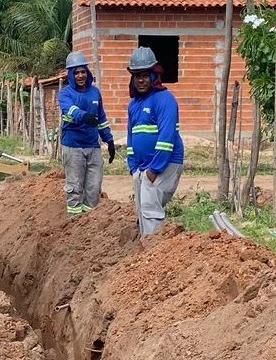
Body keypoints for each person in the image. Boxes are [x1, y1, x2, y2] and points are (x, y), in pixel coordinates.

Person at [125, 47, 184, 236]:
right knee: (142, 209)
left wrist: (153, 169)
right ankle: (146, 250)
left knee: (150, 207)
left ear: (153, 76)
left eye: (144, 75)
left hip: (164, 164)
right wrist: (133, 167)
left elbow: (167, 139)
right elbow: (131, 137)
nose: (140, 80)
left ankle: (153, 253)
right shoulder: (134, 104)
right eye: (136, 76)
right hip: (142, 168)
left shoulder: (164, 99)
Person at [58, 51, 116, 218]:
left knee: (94, 187)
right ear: (70, 74)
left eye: (83, 71)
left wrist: (109, 139)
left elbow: (102, 118)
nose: (80, 75)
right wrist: (84, 116)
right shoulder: (65, 94)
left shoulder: (95, 92)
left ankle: (88, 223)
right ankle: (74, 223)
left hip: (93, 147)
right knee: (74, 188)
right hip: (73, 147)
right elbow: (70, 110)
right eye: (76, 72)